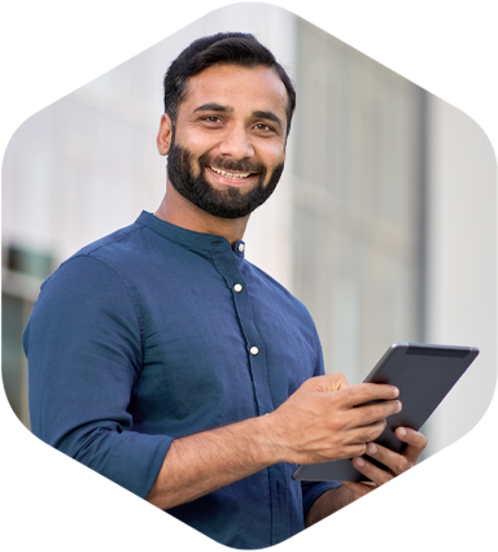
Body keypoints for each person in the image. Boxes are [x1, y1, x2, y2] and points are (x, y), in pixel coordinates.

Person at [23, 33, 427, 550]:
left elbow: (299, 502)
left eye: (263, 126)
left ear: (282, 148)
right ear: (167, 133)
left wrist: (354, 494)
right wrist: (275, 435)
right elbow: (82, 457)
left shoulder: (293, 316)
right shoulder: (95, 282)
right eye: (212, 119)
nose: (238, 147)